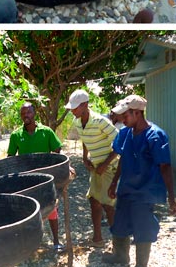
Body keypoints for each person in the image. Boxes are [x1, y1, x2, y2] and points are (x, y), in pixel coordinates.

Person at [103, 94, 176, 267]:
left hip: (146, 192)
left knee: (143, 227)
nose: (121, 119)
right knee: (119, 223)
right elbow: (123, 158)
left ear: (137, 113)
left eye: (125, 115)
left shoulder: (156, 136)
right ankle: (121, 255)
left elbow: (165, 167)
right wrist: (114, 182)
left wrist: (171, 197)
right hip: (127, 188)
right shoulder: (125, 133)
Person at [8, 102, 66, 252]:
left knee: (51, 208)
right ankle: (29, 245)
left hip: (45, 180)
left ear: (34, 113)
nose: (25, 116)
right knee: (27, 211)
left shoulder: (46, 132)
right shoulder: (16, 135)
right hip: (25, 181)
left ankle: (56, 242)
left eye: (28, 112)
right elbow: (10, 158)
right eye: (22, 113)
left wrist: (58, 169)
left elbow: (57, 150)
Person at [65, 89, 119, 246]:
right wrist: (84, 157)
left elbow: (119, 143)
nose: (72, 111)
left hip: (109, 168)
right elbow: (84, 139)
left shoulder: (101, 122)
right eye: (71, 108)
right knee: (94, 201)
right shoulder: (77, 122)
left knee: (108, 205)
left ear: (85, 105)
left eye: (75, 107)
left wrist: (105, 163)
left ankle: (118, 244)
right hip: (96, 167)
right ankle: (97, 239)